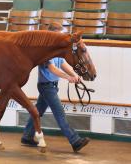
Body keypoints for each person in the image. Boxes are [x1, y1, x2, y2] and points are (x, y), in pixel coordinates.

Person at [21, 22, 90, 153]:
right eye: (59, 35)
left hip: (51, 86)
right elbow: (52, 69)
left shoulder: (58, 50)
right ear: (52, 34)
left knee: (38, 111)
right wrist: (68, 77)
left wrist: (75, 76)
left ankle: (27, 136)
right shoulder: (45, 51)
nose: (62, 38)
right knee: (60, 114)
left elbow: (63, 64)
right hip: (46, 86)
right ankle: (75, 141)